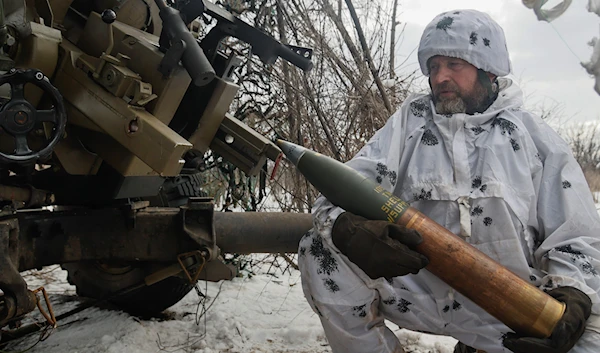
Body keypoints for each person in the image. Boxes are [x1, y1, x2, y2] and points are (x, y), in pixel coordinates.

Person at [298, 9, 600, 353]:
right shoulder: (409, 124)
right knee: (319, 248)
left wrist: (572, 293)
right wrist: (348, 230)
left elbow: (575, 233)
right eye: (433, 67)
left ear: (488, 68)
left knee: (587, 336)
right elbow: (338, 193)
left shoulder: (532, 137)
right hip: (419, 289)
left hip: (511, 305)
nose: (440, 77)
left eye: (454, 64)